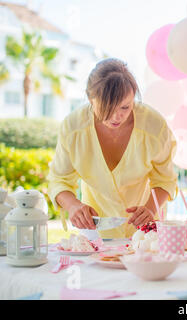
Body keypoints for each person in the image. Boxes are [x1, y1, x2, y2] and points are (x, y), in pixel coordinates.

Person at [47, 58, 178, 239]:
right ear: (91, 99)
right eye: (106, 108)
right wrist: (73, 205)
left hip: (146, 234)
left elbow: (165, 180)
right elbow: (58, 180)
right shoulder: (73, 129)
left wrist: (149, 209)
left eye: (125, 107)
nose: (117, 116)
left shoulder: (154, 127)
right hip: (96, 230)